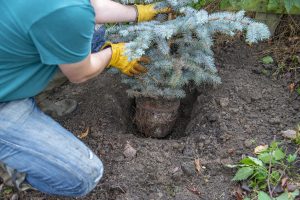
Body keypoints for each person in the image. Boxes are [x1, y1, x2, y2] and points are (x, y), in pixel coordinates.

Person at [0, 0, 170, 197]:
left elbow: (91, 6)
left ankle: (35, 100)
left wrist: (138, 12)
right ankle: (11, 164)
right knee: (84, 177)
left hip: (10, 57)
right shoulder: (67, 13)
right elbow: (80, 73)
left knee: (93, 35)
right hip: (5, 103)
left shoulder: (68, 10)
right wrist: (112, 54)